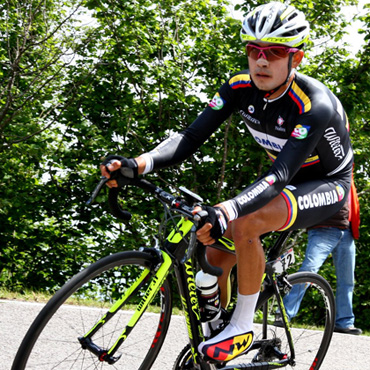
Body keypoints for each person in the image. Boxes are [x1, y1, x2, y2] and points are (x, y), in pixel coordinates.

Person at [100, 2, 354, 363]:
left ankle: (242, 326)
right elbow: (189, 138)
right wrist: (137, 164)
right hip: (281, 180)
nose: (262, 61)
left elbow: (279, 176)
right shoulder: (238, 87)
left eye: (275, 52)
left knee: (244, 222)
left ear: (295, 59)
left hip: (326, 185)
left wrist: (226, 209)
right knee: (214, 254)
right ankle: (217, 330)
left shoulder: (314, 104)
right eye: (254, 51)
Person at [275, 178, 362, 335]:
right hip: (323, 229)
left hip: (347, 232)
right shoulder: (326, 169)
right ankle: (284, 314)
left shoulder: (349, 172)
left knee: (347, 280)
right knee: (308, 271)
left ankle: (344, 322)